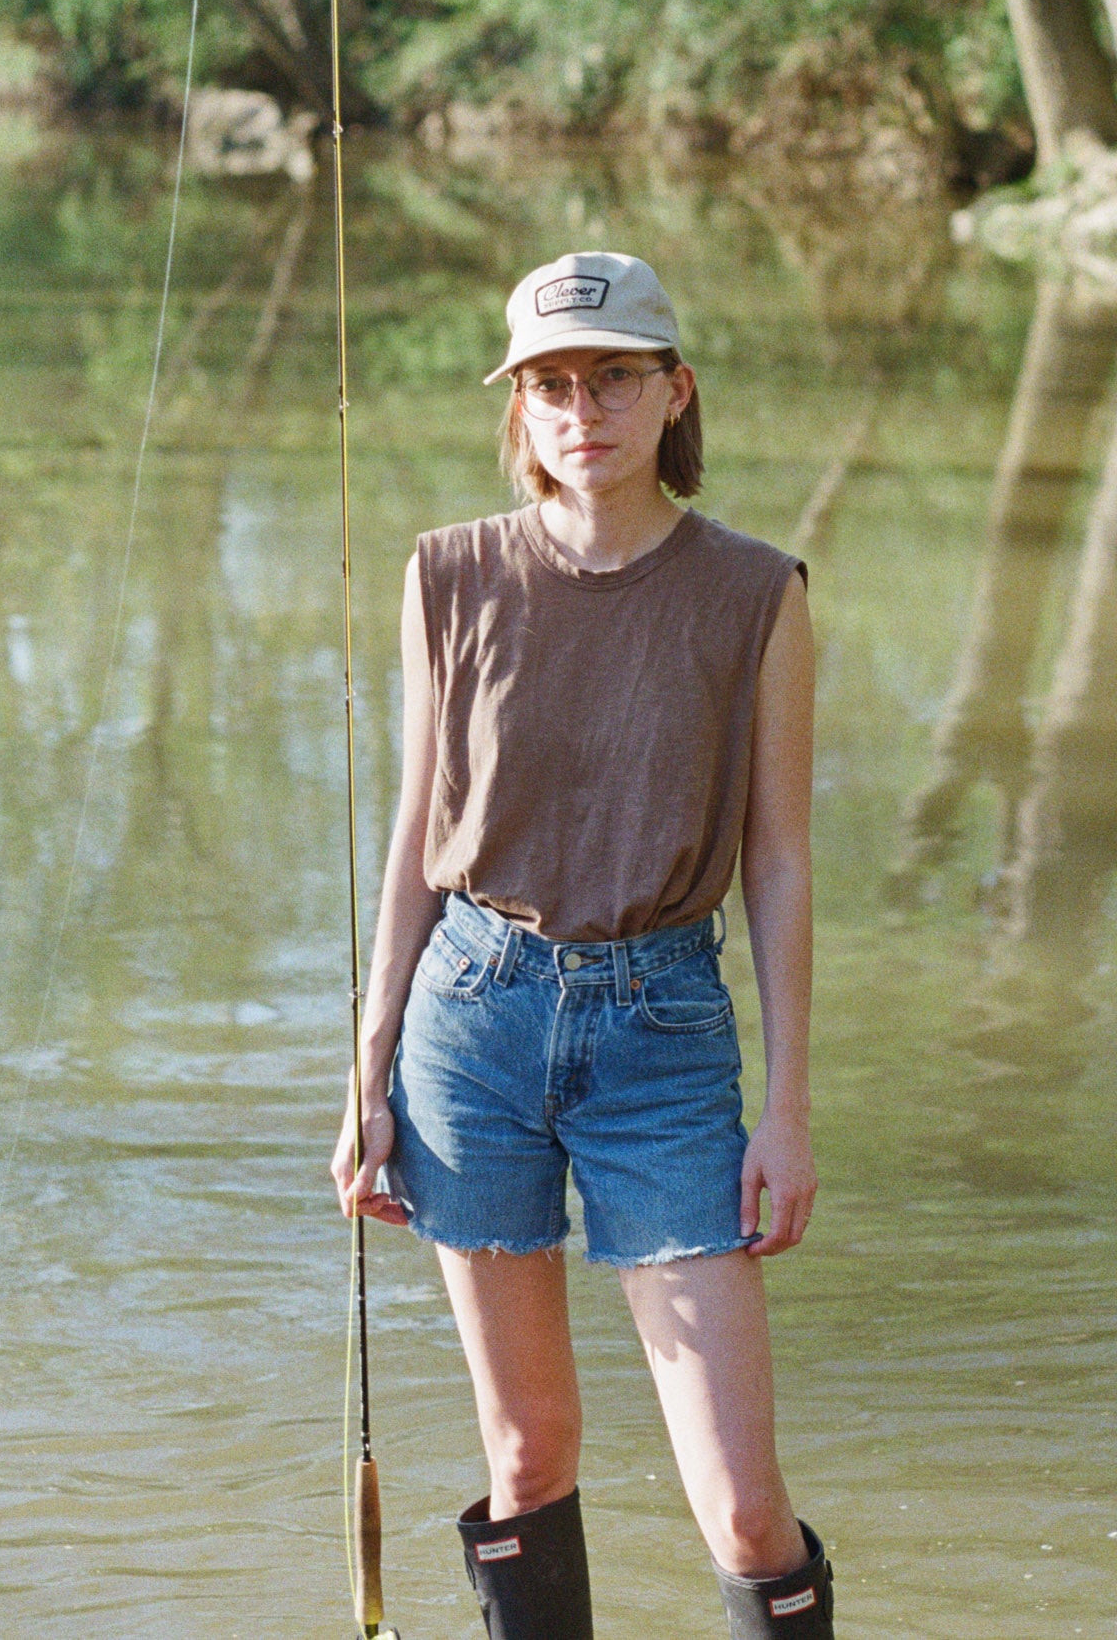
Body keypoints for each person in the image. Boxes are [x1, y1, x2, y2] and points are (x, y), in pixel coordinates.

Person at [333, 252, 833, 1639]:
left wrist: (788, 1109)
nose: (582, 410)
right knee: (528, 1456)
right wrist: (369, 1069)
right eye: (550, 384)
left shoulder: (758, 592)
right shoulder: (448, 575)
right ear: (520, 408)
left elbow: (780, 859)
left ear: (676, 391)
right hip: (472, 1025)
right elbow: (416, 834)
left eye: (614, 376)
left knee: (744, 1508)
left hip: (663, 1036)